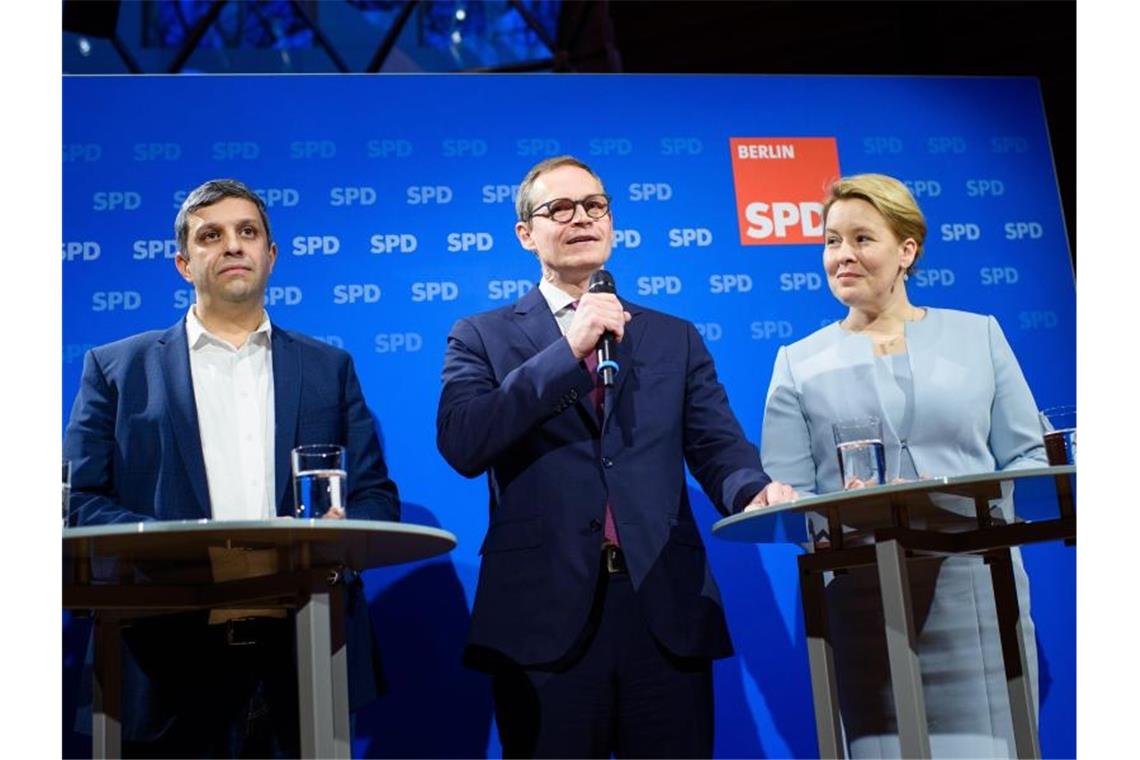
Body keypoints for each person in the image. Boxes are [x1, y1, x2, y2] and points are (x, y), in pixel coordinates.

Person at [436, 155, 796, 758]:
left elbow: (716, 445)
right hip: (541, 616)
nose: (582, 219)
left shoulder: (671, 335)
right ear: (526, 234)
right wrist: (567, 350)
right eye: (560, 209)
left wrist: (750, 489)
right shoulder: (481, 334)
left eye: (595, 206)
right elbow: (464, 440)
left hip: (662, 606)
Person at [64, 178, 400, 757]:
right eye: (210, 236)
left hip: (302, 656)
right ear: (182, 262)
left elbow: (375, 499)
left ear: (271, 255)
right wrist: (190, 558)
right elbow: (82, 502)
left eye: (248, 232)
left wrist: (340, 531)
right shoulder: (115, 370)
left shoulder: (329, 368)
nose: (232, 246)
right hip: (161, 658)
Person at [760, 173, 1047, 758]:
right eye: (831, 240)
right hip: (867, 599)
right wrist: (828, 506)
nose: (843, 255)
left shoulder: (979, 336)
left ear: (906, 250)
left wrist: (976, 504)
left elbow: (1028, 456)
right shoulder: (797, 362)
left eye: (862, 239)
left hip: (978, 592)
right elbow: (789, 497)